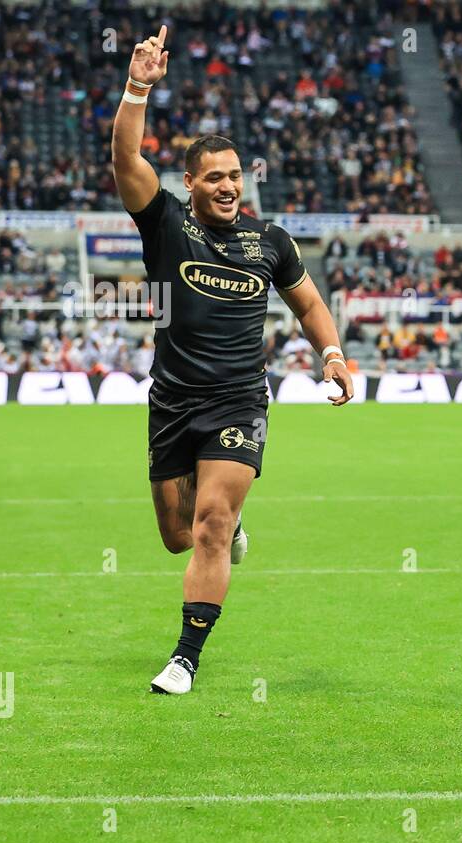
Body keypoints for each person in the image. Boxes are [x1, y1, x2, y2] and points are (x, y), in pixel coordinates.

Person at [112, 26, 354, 695]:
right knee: (177, 535)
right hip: (171, 401)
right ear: (189, 182)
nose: (228, 187)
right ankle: (233, 519)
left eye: (236, 177)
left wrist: (331, 354)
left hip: (238, 403)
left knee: (211, 523)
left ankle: (184, 658)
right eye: (214, 177)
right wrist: (139, 86)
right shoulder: (163, 221)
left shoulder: (269, 242)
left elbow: (309, 305)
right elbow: (124, 157)